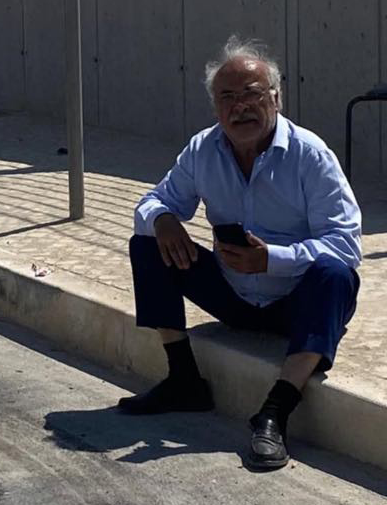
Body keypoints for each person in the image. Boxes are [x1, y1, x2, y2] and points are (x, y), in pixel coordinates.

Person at [117, 34, 362, 470]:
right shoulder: (203, 149)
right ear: (216, 107)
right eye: (227, 98)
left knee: (336, 275)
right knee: (148, 242)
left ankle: (274, 414)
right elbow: (154, 202)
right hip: (232, 294)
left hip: (293, 303)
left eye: (251, 94)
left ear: (276, 98)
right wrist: (164, 218)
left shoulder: (310, 155)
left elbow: (345, 244)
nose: (239, 107)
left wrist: (272, 258)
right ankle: (183, 379)